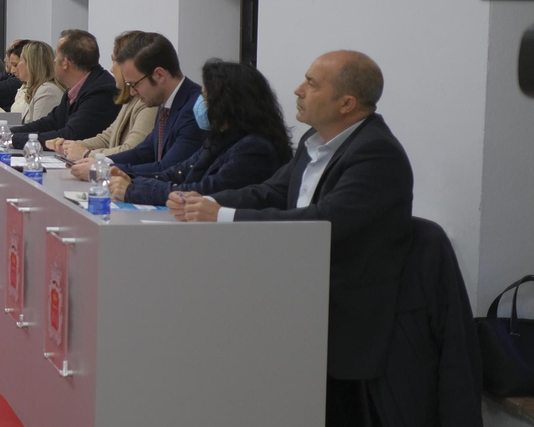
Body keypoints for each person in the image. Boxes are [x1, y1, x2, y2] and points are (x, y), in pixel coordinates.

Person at [170, 51, 413, 379]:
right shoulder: (315, 141)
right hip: (296, 281)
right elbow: (269, 192)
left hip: (340, 308)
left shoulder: (376, 153)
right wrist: (202, 201)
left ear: (346, 104)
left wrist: (222, 216)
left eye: (311, 84)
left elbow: (321, 221)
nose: (298, 90)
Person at [108, 59, 291, 205]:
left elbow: (204, 191)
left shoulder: (254, 149)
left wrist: (134, 190)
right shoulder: (221, 137)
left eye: (205, 97)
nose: (200, 104)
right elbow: (179, 172)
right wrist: (131, 179)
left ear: (227, 103)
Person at [0, 29, 120, 148]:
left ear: (65, 63)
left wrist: (13, 139)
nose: (53, 61)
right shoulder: (76, 88)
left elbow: (71, 134)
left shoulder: (101, 91)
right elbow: (50, 122)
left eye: (56, 56)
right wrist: (8, 131)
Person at [103, 33, 203, 176]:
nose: (131, 92)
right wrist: (102, 162)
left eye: (134, 84)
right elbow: (144, 151)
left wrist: (106, 170)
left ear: (159, 75)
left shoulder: (194, 109)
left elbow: (168, 168)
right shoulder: (165, 102)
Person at [52, 31, 157, 163]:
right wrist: (71, 146)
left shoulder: (149, 101)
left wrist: (86, 154)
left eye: (114, 61)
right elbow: (107, 138)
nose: (112, 69)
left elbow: (131, 150)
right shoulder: (131, 96)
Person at [10, 40, 63, 123]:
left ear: (31, 64)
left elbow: (38, 130)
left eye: (21, 60)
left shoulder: (47, 91)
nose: (18, 66)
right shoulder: (34, 88)